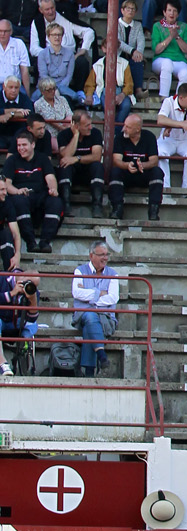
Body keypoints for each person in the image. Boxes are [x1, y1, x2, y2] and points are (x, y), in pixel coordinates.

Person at [3, 129, 61, 251]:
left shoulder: (43, 158)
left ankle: (45, 242)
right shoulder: (12, 160)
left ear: (33, 145)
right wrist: (17, 191)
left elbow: (50, 177)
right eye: (18, 145)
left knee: (55, 202)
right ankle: (31, 242)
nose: (21, 148)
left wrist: (53, 189)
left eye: (24, 145)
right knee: (19, 201)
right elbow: (6, 184)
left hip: (40, 195)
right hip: (21, 196)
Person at [72, 240, 118, 377]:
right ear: (91, 256)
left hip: (105, 318)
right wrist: (99, 293)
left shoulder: (113, 274)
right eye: (101, 254)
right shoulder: (80, 270)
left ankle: (89, 371)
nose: (105, 258)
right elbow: (76, 293)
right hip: (82, 317)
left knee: (90, 320)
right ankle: (101, 355)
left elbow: (113, 298)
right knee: (90, 316)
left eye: (107, 254)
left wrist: (90, 299)